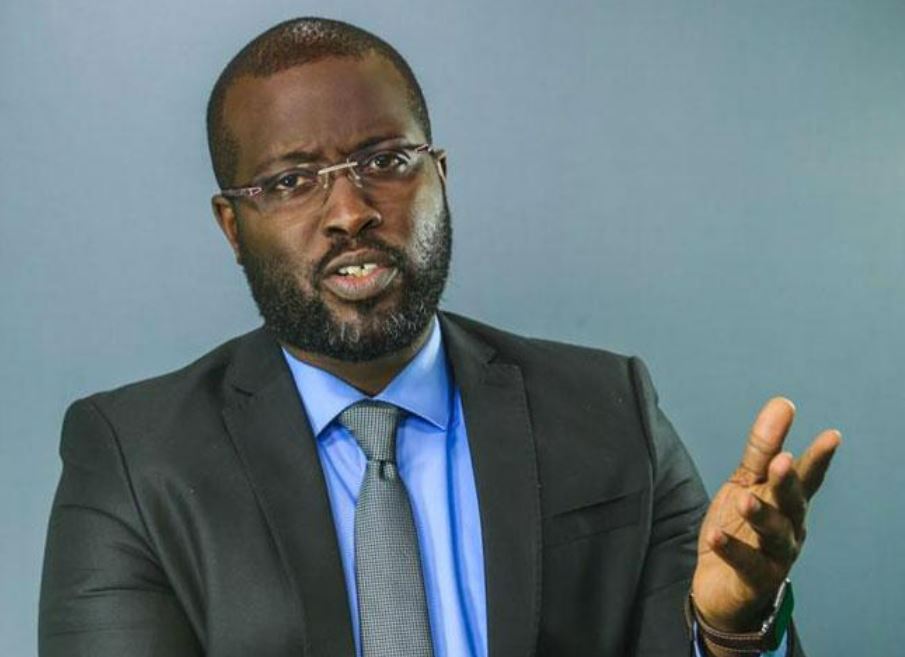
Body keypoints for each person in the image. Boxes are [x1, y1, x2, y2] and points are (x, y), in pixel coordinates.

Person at [38, 17, 840, 657]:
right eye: (290, 181)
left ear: (440, 176)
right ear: (232, 225)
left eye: (385, 159)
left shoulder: (609, 408)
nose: (350, 212)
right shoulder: (137, 461)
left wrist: (730, 631)